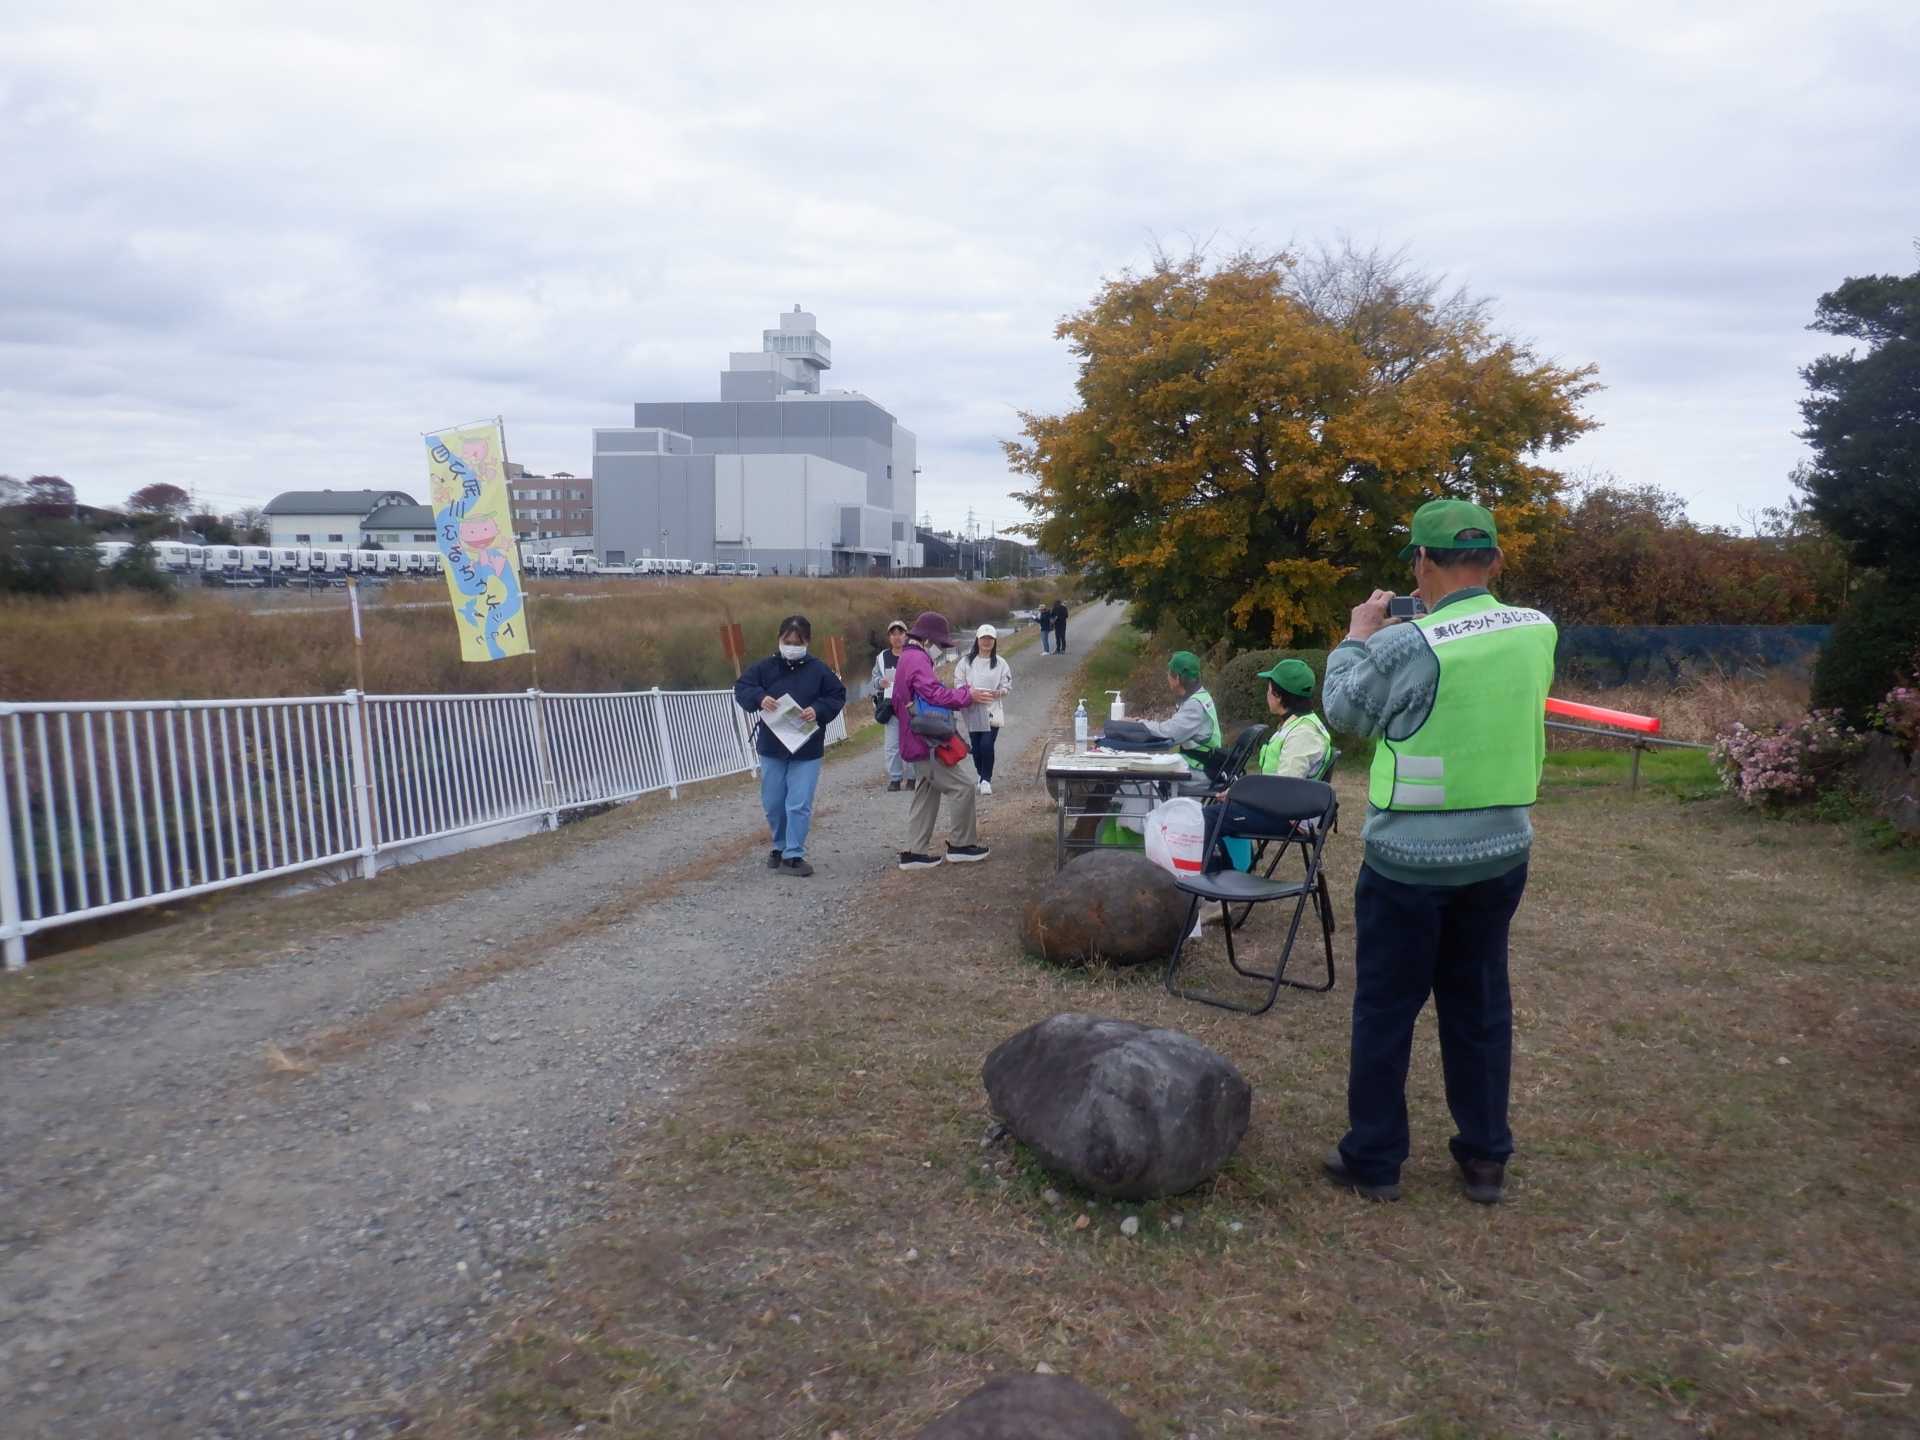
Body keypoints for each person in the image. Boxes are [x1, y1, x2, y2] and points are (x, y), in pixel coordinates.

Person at [1318, 499, 1556, 1205]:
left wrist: (1357, 635)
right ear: (1497, 560)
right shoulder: (1537, 629)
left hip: (1408, 862)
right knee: (1479, 1004)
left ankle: (1374, 1159)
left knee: (1387, 1009)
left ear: (1420, 561)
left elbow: (1344, 709)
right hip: (1501, 853)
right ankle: (1484, 1158)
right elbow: (1476, 661)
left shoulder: (1405, 645)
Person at [733, 614, 847, 878]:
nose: (792, 646)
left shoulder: (819, 670)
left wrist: (817, 709)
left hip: (807, 748)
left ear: (807, 642)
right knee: (774, 802)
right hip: (772, 746)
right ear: (779, 639)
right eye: (788, 641)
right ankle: (780, 846)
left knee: (799, 802)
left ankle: (793, 854)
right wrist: (760, 697)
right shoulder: (764, 668)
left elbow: (837, 695)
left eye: (798, 642)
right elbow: (742, 687)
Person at [892, 610, 990, 869]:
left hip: (915, 739)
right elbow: (934, 694)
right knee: (963, 787)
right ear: (928, 640)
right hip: (926, 742)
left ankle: (915, 853)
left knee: (927, 792)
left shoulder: (907, 657)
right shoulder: (917, 659)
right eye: (939, 644)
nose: (940, 649)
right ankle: (961, 846)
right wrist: (966, 696)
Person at [954, 623, 1014, 796]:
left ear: (994, 641)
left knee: (987, 744)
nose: (987, 642)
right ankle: (981, 775)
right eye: (983, 638)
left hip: (991, 708)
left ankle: (986, 779)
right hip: (972, 709)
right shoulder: (966, 662)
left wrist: (999, 693)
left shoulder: (1001, 663)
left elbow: (1007, 686)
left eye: (990, 639)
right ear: (977, 640)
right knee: (976, 747)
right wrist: (969, 693)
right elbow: (958, 683)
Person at [1141, 651, 1223, 776]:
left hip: (1201, 770)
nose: (1167, 677)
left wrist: (1139, 725)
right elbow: (1173, 727)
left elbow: (1169, 733)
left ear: (1177, 679)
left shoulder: (1194, 705)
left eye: (1169, 673)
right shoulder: (1199, 696)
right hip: (1197, 763)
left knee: (1149, 778)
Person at [1254, 658, 1333, 780]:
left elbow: (1286, 786)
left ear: (1278, 695)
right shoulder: (1297, 723)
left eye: (1268, 690)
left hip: (1275, 792)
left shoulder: (1303, 734)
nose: (1267, 694)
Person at [871, 619, 910, 791]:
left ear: (906, 635)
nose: (897, 637)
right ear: (889, 637)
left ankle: (912, 778)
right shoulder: (882, 657)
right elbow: (874, 679)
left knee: (911, 742)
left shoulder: (913, 654)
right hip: (890, 706)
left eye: (900, 633)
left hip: (910, 706)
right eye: (893, 634)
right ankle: (895, 778)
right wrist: (880, 682)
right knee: (892, 746)